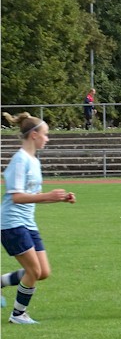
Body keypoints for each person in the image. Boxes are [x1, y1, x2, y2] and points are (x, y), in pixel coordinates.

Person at [1, 112, 76, 324]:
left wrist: (59, 199)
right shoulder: (20, 160)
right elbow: (16, 197)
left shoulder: (34, 160)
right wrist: (48, 196)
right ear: (34, 135)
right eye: (45, 134)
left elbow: (33, 196)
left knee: (42, 272)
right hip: (12, 223)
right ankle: (18, 315)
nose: (47, 138)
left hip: (28, 223)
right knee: (33, 270)